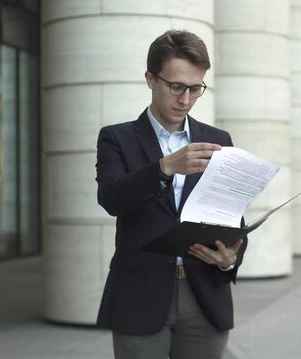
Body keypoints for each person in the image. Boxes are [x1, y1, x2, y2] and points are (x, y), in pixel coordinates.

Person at [95, 29, 247, 359]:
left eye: (196, 89)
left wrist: (229, 261)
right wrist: (164, 168)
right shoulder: (116, 138)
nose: (186, 99)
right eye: (176, 86)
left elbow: (233, 218)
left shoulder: (218, 140)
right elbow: (111, 199)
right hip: (140, 294)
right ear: (150, 78)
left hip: (205, 294)